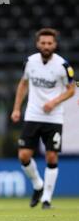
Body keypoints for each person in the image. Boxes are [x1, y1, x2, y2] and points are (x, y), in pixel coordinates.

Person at [11, 28, 75, 209]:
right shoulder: (30, 62)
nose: (46, 46)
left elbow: (71, 89)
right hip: (33, 114)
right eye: (43, 43)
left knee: (52, 156)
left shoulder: (63, 66)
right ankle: (38, 185)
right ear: (38, 44)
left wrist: (54, 102)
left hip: (54, 117)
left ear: (55, 45)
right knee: (23, 155)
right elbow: (23, 84)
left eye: (50, 43)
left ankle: (46, 199)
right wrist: (17, 108)